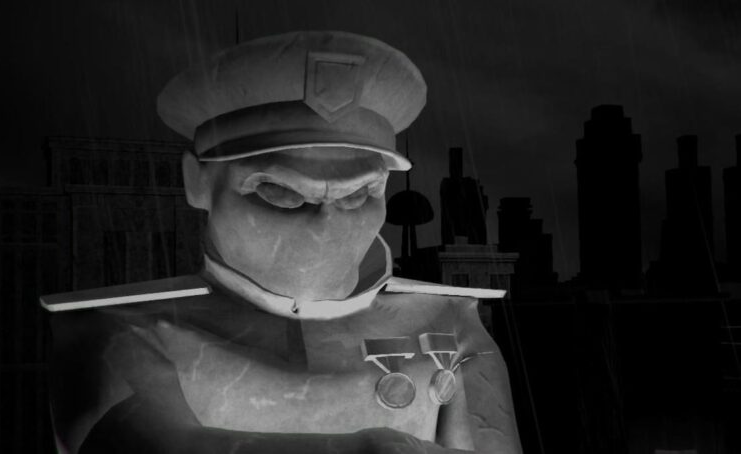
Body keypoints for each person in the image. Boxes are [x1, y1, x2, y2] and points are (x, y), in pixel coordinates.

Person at [41, 31, 521, 454]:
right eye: (282, 192)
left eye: (358, 195)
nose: (326, 225)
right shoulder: (124, 330)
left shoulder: (448, 323)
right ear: (198, 183)